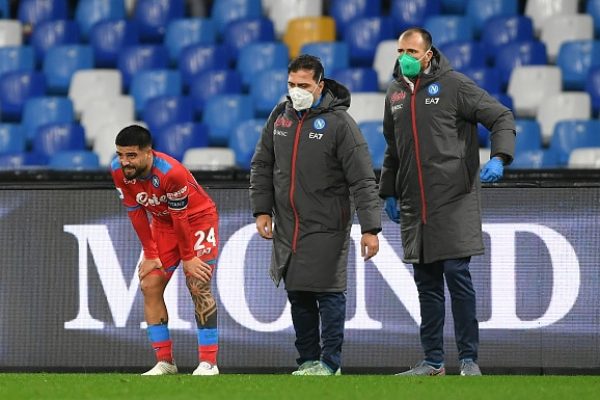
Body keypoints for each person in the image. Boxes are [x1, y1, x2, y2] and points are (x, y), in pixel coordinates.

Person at [380, 28, 515, 376]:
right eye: (400, 50)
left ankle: (469, 359)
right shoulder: (394, 94)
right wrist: (389, 191)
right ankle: (433, 361)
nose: (404, 56)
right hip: (415, 205)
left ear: (428, 54)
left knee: (457, 274)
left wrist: (500, 157)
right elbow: (394, 149)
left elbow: (500, 116)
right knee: (426, 283)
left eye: (411, 50)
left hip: (454, 199)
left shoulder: (455, 85)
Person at [250, 54, 382, 376]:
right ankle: (308, 360)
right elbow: (262, 164)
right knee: (298, 294)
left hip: (327, 224)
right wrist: (261, 209)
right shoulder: (280, 117)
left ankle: (330, 363)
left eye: (303, 85)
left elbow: (363, 179)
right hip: (289, 224)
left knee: (328, 292)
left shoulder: (340, 125)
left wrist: (370, 228)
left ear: (320, 85)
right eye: (291, 84)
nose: (296, 91)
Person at [110, 125, 220, 376]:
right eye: (120, 154)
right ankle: (165, 362)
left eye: (131, 155)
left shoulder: (172, 173)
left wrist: (189, 257)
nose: (124, 162)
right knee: (149, 284)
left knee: (198, 284)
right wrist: (150, 253)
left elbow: (181, 218)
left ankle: (208, 363)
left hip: (197, 220)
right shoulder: (119, 171)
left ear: (148, 153)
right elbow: (135, 211)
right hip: (163, 223)